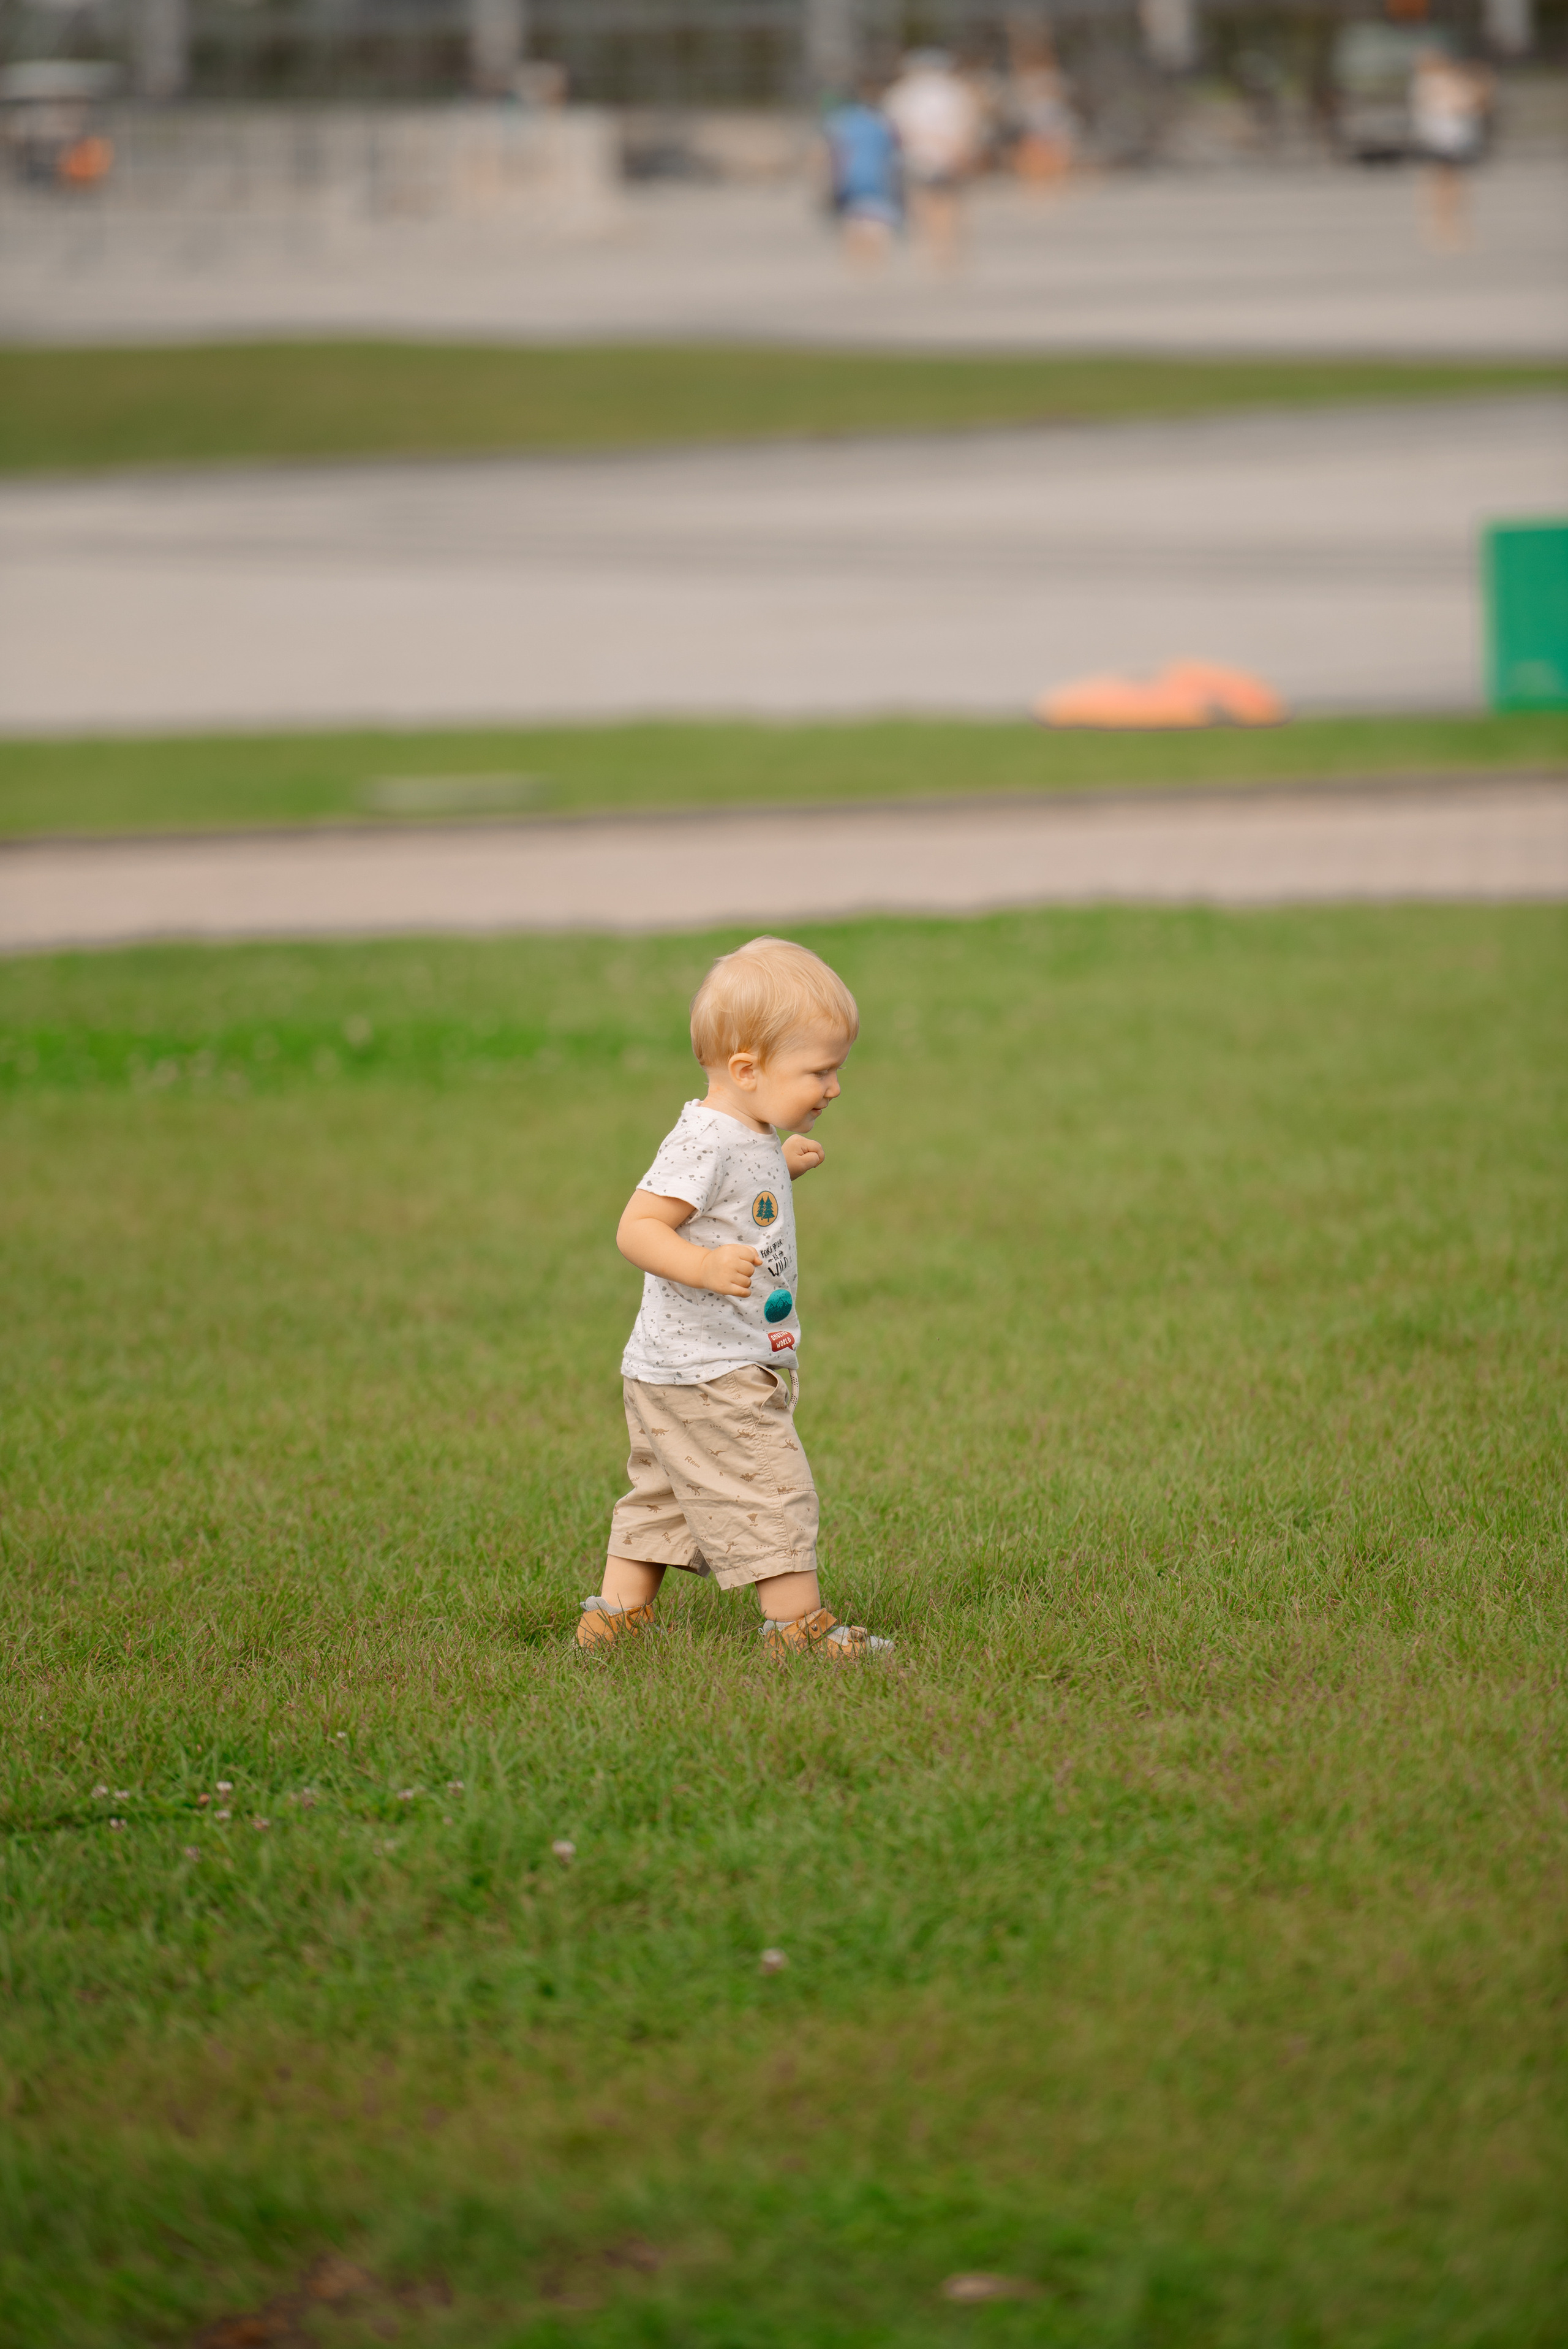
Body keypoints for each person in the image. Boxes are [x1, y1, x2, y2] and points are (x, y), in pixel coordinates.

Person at [578, 936, 892, 1662]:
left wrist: (776, 1169)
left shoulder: (748, 1135)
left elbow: (732, 1201)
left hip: (675, 1365)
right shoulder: (704, 1141)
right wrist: (700, 1263)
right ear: (747, 1070)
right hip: (712, 1367)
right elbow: (638, 1227)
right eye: (820, 1071)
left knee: (663, 1497)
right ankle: (798, 1633)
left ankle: (613, 1622)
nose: (834, 1087)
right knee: (771, 1486)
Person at [883, 49, 983, 268]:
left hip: (918, 155)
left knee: (923, 202)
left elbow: (896, 128)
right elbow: (969, 122)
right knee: (949, 202)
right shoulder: (955, 91)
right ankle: (947, 248)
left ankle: (930, 248)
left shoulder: (904, 93)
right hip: (949, 153)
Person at [1410, 44, 1489, 250]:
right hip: (1444, 140)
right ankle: (1443, 226)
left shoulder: (1439, 82)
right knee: (1446, 184)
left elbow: (1475, 104)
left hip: (1452, 140)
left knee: (1449, 184)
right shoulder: (1434, 83)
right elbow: (1464, 104)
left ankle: (1446, 225)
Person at [822, 80, 903, 267]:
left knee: (853, 219)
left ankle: (856, 263)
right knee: (877, 219)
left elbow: (831, 152)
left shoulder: (841, 121)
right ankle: (874, 263)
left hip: (849, 176)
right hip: (879, 176)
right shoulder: (884, 121)